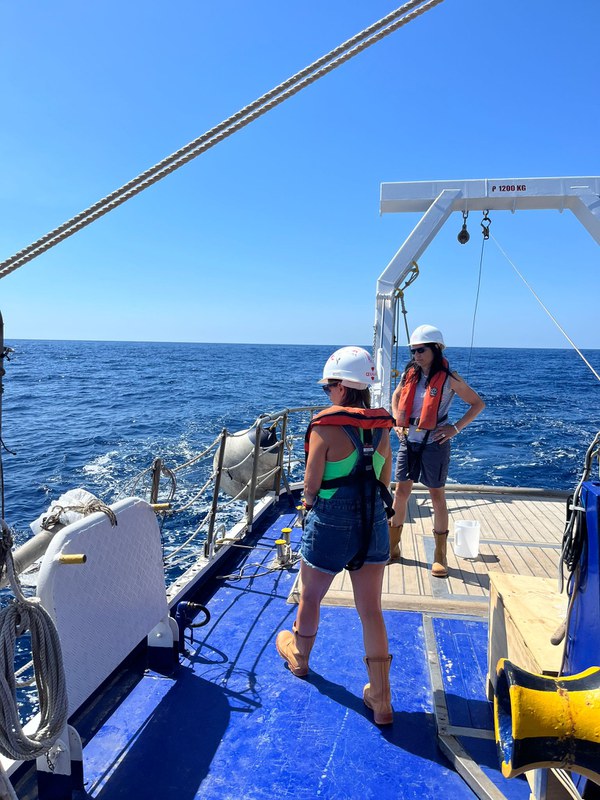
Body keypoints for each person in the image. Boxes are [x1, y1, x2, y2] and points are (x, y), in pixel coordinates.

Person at [275, 346, 396, 725]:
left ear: (343, 386)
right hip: (373, 520)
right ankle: (381, 698)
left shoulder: (325, 427)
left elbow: (311, 485)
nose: (327, 392)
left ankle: (300, 658)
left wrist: (309, 507)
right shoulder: (383, 426)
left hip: (330, 519)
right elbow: (384, 479)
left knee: (311, 596)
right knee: (370, 609)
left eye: (329, 386)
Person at [389, 325, 485, 577]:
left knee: (436, 496)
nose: (416, 355)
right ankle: (392, 547)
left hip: (435, 444)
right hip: (408, 441)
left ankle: (439, 556)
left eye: (421, 350)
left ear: (435, 349)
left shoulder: (451, 378)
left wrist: (455, 428)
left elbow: (477, 404)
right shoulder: (409, 374)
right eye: (413, 351)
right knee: (401, 493)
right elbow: (397, 397)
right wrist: (397, 422)